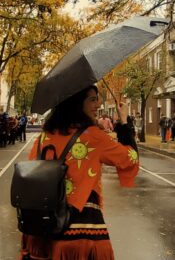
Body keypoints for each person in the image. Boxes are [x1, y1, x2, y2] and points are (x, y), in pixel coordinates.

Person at [19, 85, 139, 260]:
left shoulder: (43, 137)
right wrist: (124, 123)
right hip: (80, 228)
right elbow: (130, 158)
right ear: (76, 103)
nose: (98, 104)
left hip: (40, 228)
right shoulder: (93, 136)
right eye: (92, 99)